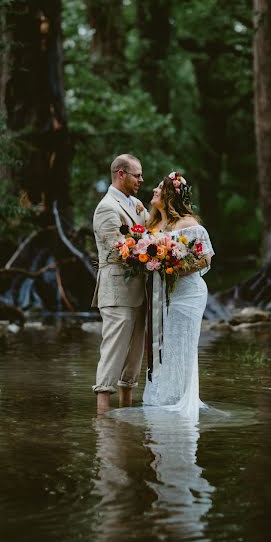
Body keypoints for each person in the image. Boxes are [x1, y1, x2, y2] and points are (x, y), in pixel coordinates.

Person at [142, 172, 214, 422]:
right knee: (161, 343)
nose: (153, 190)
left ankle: (178, 398)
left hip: (188, 295)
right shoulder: (152, 227)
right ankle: (159, 397)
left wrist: (171, 267)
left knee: (180, 344)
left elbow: (205, 259)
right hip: (161, 296)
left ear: (170, 195)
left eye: (159, 188)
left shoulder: (188, 224)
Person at [92, 154, 149, 412]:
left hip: (140, 289)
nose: (141, 179)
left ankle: (126, 414)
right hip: (116, 289)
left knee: (134, 352)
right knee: (114, 348)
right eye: (137, 175)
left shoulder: (136, 204)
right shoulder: (107, 207)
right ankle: (102, 416)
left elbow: (152, 230)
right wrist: (152, 250)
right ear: (121, 174)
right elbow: (116, 250)